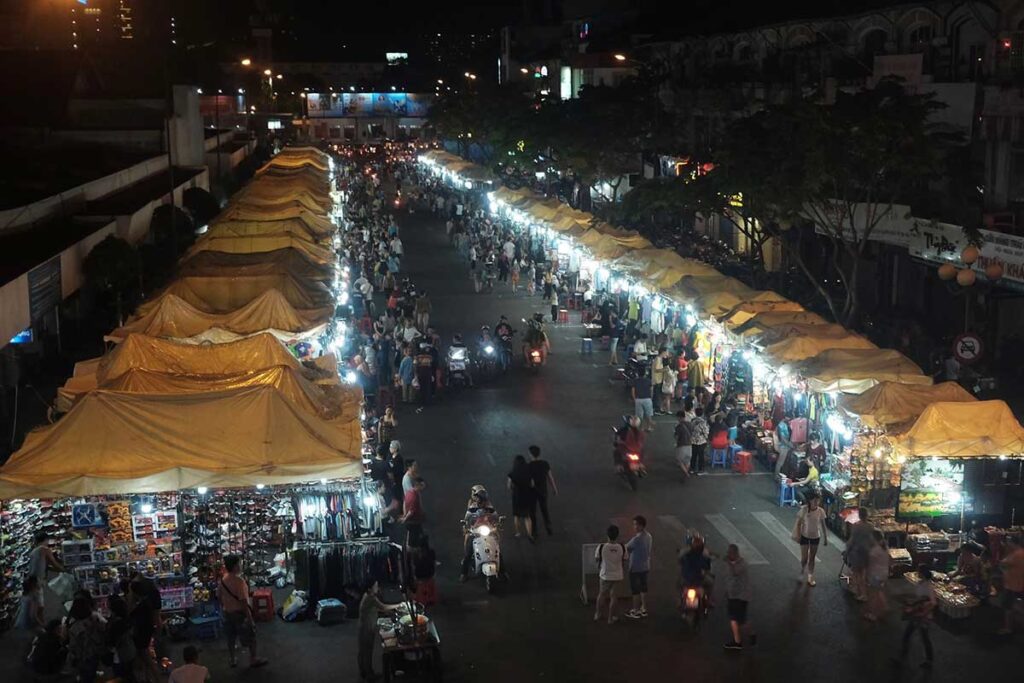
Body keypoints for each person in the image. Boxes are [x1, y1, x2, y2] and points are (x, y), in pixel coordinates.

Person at [217, 555, 268, 669]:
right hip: (239, 614)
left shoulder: (223, 580)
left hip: (227, 613)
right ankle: (253, 659)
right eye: (238, 564)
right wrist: (250, 619)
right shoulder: (240, 582)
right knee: (250, 636)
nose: (240, 566)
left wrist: (225, 607)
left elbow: (219, 597)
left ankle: (232, 659)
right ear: (235, 566)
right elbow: (244, 602)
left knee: (230, 637)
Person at [358, 582, 402, 682]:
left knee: (362, 651)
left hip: (363, 626)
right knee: (367, 652)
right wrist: (399, 605)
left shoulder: (367, 596)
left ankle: (363, 672)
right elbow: (383, 607)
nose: (377, 588)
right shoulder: (371, 598)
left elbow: (376, 608)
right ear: (370, 589)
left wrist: (389, 612)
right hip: (367, 628)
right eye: (375, 586)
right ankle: (369, 675)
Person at [895, 565, 936, 670]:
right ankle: (903, 657)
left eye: (919, 571)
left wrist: (924, 613)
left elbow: (933, 603)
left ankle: (928, 660)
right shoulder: (921, 583)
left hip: (923, 616)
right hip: (918, 614)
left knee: (922, 638)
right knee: (910, 635)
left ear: (922, 573)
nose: (917, 573)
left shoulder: (928, 586)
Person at [723, 544, 757, 651]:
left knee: (735, 619)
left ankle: (738, 642)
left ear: (735, 553)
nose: (728, 554)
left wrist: (728, 562)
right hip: (735, 596)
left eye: (730, 553)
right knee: (741, 620)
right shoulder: (734, 563)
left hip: (739, 597)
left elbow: (734, 573)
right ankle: (751, 634)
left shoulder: (741, 564)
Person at [67, 596, 106, 683]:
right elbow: (104, 628)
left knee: (85, 676)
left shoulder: (74, 628)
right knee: (93, 670)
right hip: (96, 650)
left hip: (83, 656)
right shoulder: (95, 617)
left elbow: (73, 646)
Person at [594, 525, 628, 624]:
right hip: (617, 575)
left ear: (607, 535)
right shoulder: (622, 547)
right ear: (617, 535)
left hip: (605, 575)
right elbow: (625, 559)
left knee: (601, 594)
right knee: (614, 597)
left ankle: (598, 614)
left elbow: (597, 559)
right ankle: (610, 618)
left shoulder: (601, 547)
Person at [792, 493, 828, 586]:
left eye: (818, 500)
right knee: (804, 558)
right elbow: (798, 524)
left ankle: (810, 577)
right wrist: (798, 535)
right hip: (804, 536)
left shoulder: (821, 511)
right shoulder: (804, 510)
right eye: (815, 500)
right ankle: (802, 571)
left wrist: (825, 538)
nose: (816, 502)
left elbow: (823, 526)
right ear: (810, 501)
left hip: (815, 537)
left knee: (812, 558)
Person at [625, 516, 652, 619]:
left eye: (636, 524)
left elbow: (626, 547)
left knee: (635, 590)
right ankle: (643, 609)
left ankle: (635, 611)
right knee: (643, 588)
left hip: (635, 567)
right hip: (645, 566)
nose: (634, 526)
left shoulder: (636, 539)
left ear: (641, 526)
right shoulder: (649, 536)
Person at [527, 445, 557, 537]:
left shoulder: (529, 466)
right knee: (544, 510)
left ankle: (534, 531)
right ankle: (549, 528)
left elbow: (528, 481)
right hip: (543, 490)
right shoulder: (545, 464)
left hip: (532, 492)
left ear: (531, 455)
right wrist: (554, 488)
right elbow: (550, 477)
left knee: (532, 512)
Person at [28, 531, 64, 606]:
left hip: (31, 579)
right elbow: (54, 564)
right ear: (46, 539)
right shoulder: (44, 549)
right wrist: (65, 570)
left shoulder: (33, 552)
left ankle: (36, 616)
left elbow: (47, 567)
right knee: (39, 604)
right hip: (37, 580)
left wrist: (61, 570)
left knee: (36, 602)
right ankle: (37, 617)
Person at [846, 507, 874, 602]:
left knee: (857, 573)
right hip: (867, 552)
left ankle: (862, 593)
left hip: (857, 552)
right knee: (864, 573)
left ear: (859, 515)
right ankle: (862, 591)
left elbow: (852, 540)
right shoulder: (871, 526)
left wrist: (847, 550)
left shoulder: (856, 526)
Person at [997, 536, 1024, 634]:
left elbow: (1002, 564)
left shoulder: (1017, 554)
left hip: (1013, 585)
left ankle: (1008, 628)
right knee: (1013, 605)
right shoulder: (1017, 553)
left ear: (1013, 542)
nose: (1007, 544)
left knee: (1008, 607)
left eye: (1009, 542)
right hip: (1015, 583)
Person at [507, 455, 535, 541]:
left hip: (517, 496)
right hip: (526, 495)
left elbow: (509, 486)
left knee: (517, 516)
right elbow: (533, 484)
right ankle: (530, 534)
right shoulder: (529, 472)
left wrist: (513, 489)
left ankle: (518, 532)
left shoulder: (512, 473)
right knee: (527, 517)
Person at [864, 531, 890, 622]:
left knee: (873, 594)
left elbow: (870, 565)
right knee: (879, 591)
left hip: (875, 575)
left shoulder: (874, 550)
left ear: (874, 538)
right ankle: (884, 607)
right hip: (884, 573)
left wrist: (867, 576)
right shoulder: (885, 547)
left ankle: (873, 614)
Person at [411, 535, 438, 606]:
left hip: (421, 576)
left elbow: (414, 566)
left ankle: (422, 599)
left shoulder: (416, 554)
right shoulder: (431, 552)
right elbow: (434, 563)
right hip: (429, 574)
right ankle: (430, 598)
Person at [400, 477, 427, 548]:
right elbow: (411, 511)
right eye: (422, 486)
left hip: (415, 522)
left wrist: (404, 514)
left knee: (418, 538)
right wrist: (405, 518)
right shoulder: (414, 496)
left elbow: (404, 502)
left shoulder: (409, 493)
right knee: (413, 543)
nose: (423, 488)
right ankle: (413, 555)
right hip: (414, 523)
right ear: (418, 485)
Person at [689, 407, 710, 475]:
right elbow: (706, 432)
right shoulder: (703, 422)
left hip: (693, 440)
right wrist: (707, 438)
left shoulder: (692, 420)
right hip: (701, 441)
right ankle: (700, 470)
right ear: (702, 413)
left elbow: (690, 429)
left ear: (695, 413)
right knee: (701, 456)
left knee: (693, 455)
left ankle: (692, 469)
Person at [673, 410, 693, 479]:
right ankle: (686, 471)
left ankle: (686, 473)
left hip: (681, 445)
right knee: (687, 461)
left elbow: (676, 437)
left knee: (679, 461)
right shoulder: (690, 424)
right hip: (690, 445)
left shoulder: (679, 426)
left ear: (679, 417)